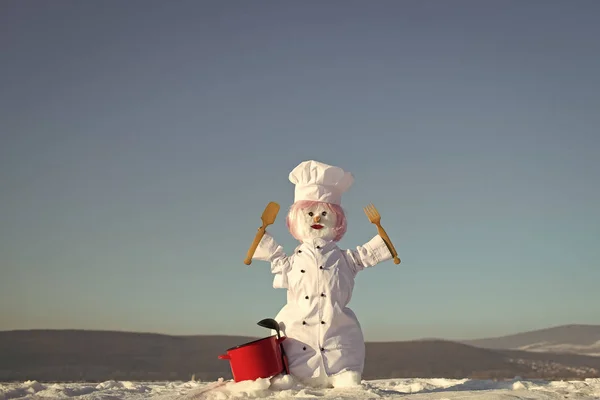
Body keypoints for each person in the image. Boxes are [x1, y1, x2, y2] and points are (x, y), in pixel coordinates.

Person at [252, 160, 395, 388]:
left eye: (323, 213)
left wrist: (383, 243)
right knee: (292, 342)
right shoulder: (294, 260)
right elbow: (277, 258)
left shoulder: (344, 258)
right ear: (297, 219)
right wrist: (262, 242)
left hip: (336, 327)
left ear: (337, 219)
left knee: (342, 345)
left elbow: (364, 255)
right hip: (299, 329)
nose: (316, 219)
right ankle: (294, 374)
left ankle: (343, 372)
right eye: (309, 213)